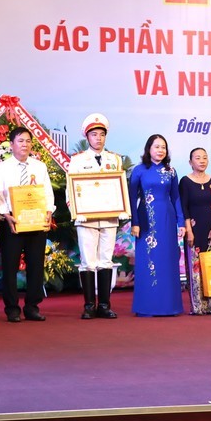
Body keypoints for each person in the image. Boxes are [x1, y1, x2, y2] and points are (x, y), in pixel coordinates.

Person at [0, 127, 56, 322]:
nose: (25, 144)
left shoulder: (39, 167)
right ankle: (12, 308)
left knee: (36, 266)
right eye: (20, 141)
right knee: (10, 267)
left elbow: (47, 193)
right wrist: (5, 214)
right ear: (11, 145)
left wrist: (48, 212)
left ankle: (32, 307)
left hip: (35, 222)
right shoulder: (3, 167)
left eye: (28, 141)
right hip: (12, 222)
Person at [68, 113, 126, 320]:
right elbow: (70, 189)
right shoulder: (77, 160)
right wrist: (77, 210)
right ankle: (88, 305)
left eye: (102, 134)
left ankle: (104, 305)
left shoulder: (114, 159)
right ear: (87, 137)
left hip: (109, 217)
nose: (98, 138)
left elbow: (119, 187)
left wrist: (121, 208)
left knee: (105, 260)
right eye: (94, 134)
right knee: (87, 261)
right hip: (86, 218)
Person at [129, 134, 185, 316]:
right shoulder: (139, 170)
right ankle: (147, 306)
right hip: (146, 221)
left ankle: (169, 306)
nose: (160, 150)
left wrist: (181, 222)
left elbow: (176, 198)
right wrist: (135, 222)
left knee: (167, 260)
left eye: (163, 147)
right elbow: (131, 198)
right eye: (156, 147)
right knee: (148, 261)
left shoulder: (171, 171)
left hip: (167, 220)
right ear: (148, 149)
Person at [179, 147, 211, 315]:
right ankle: (199, 306)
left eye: (205, 157)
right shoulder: (185, 181)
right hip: (194, 230)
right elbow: (183, 207)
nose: (202, 161)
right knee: (196, 268)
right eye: (198, 158)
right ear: (190, 162)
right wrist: (189, 231)